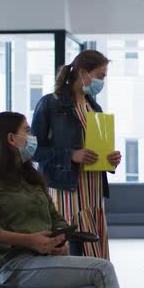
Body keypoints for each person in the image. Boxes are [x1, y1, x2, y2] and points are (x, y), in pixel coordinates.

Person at [0, 112, 121, 288]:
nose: (33, 137)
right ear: (11, 139)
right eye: (27, 131)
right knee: (103, 269)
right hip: (12, 264)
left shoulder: (31, 177)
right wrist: (29, 240)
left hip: (46, 260)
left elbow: (56, 219)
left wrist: (60, 243)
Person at [31, 50, 121, 260]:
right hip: (65, 190)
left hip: (94, 191)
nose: (102, 81)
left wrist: (110, 160)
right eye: (101, 75)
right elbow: (34, 150)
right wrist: (70, 155)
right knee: (70, 250)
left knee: (94, 251)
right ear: (83, 73)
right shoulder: (50, 104)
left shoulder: (93, 106)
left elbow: (97, 148)